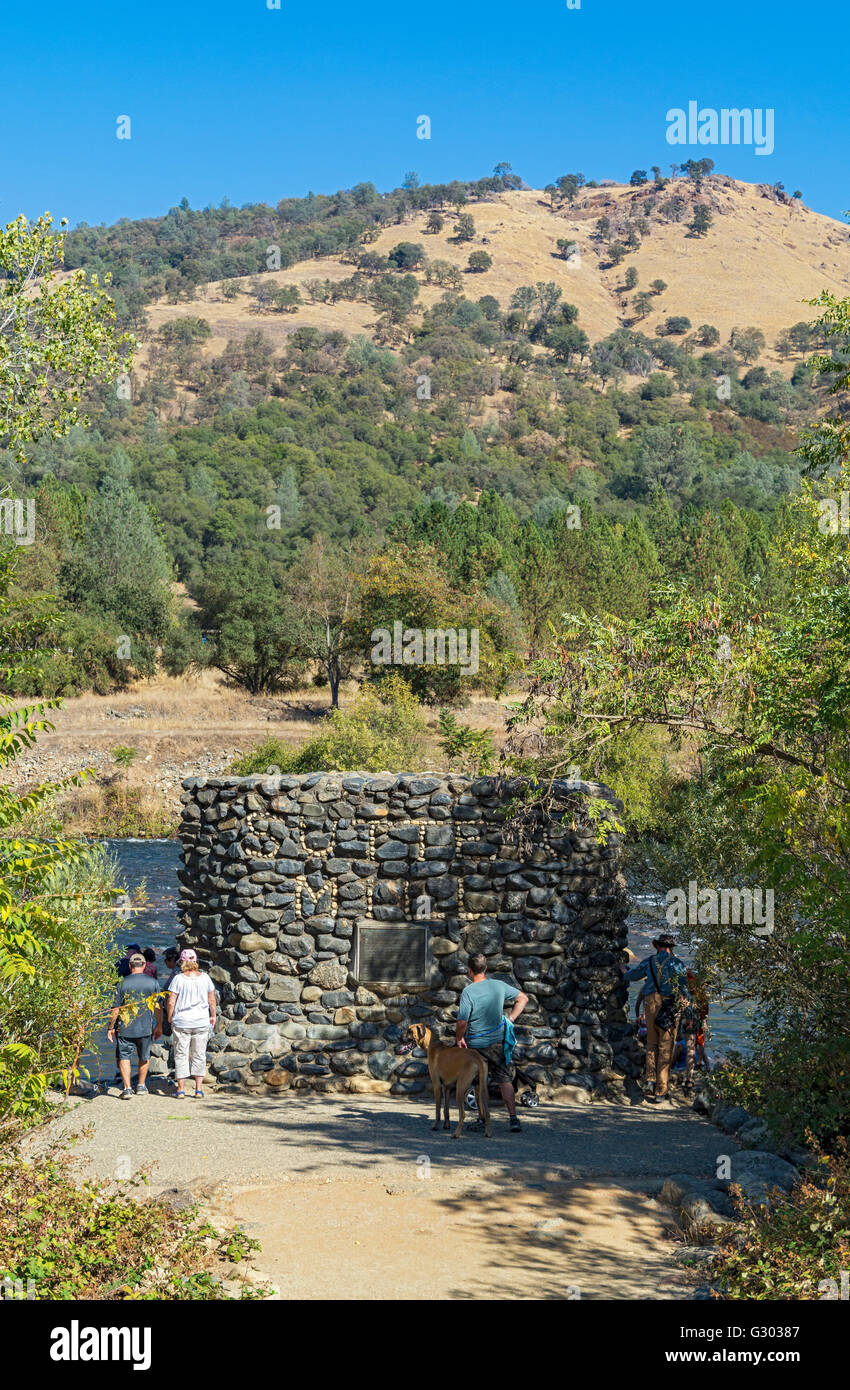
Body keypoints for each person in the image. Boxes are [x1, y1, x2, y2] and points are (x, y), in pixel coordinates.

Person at [457, 953, 528, 1133]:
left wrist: (459, 1038)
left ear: (469, 970)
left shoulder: (468, 992)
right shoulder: (499, 985)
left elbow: (462, 1023)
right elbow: (523, 998)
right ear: (486, 968)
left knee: (479, 1083)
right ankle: (513, 1119)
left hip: (476, 1045)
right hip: (497, 1042)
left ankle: (482, 1119)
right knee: (505, 1080)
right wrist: (510, 1018)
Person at [621, 933, 690, 1103]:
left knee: (651, 1043)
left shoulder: (649, 961)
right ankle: (661, 1090)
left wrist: (623, 970)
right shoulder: (678, 964)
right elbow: (684, 990)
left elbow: (633, 975)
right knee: (666, 1046)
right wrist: (688, 1013)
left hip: (650, 1003)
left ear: (657, 946)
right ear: (670, 948)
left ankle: (650, 1080)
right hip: (669, 1006)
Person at [107, 952, 162, 1098]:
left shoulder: (122, 983)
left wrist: (110, 1027)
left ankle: (127, 1088)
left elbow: (115, 1009)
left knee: (124, 1056)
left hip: (125, 1027)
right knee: (144, 1056)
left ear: (130, 965)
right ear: (144, 965)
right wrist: (159, 1025)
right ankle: (141, 1085)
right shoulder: (153, 983)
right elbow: (157, 1007)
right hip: (146, 1027)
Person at [167, 949, 216, 1099]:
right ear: (196, 961)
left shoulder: (178, 979)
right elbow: (212, 1000)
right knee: (199, 1054)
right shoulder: (206, 978)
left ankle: (181, 1089)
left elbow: (171, 1001)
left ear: (182, 962)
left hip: (182, 1021)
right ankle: (198, 1089)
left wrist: (170, 1016)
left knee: (181, 1054)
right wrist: (212, 1015)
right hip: (201, 1021)